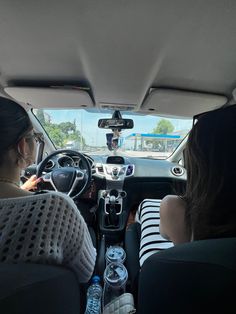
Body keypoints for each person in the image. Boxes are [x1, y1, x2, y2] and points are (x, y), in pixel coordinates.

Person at [0, 97, 96, 283]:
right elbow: (86, 273)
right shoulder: (55, 207)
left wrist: (20, 190)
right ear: (22, 147)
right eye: (35, 138)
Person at [137, 104, 236, 267]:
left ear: (198, 161)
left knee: (134, 231)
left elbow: (166, 235)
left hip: (191, 281)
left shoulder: (174, 207)